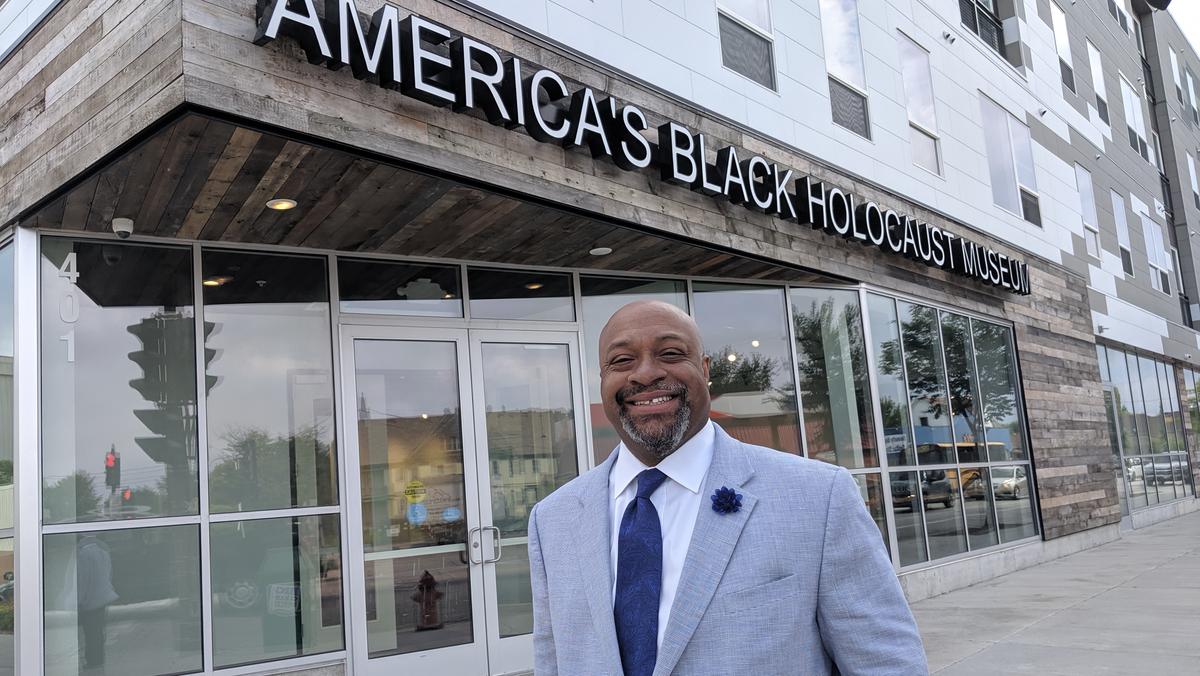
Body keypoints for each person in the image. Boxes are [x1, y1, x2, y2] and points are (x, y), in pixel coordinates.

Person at [527, 300, 927, 675]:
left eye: (669, 353)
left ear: (704, 368)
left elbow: (886, 662)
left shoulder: (819, 497)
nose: (645, 373)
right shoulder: (554, 519)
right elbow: (553, 661)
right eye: (622, 360)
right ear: (603, 378)